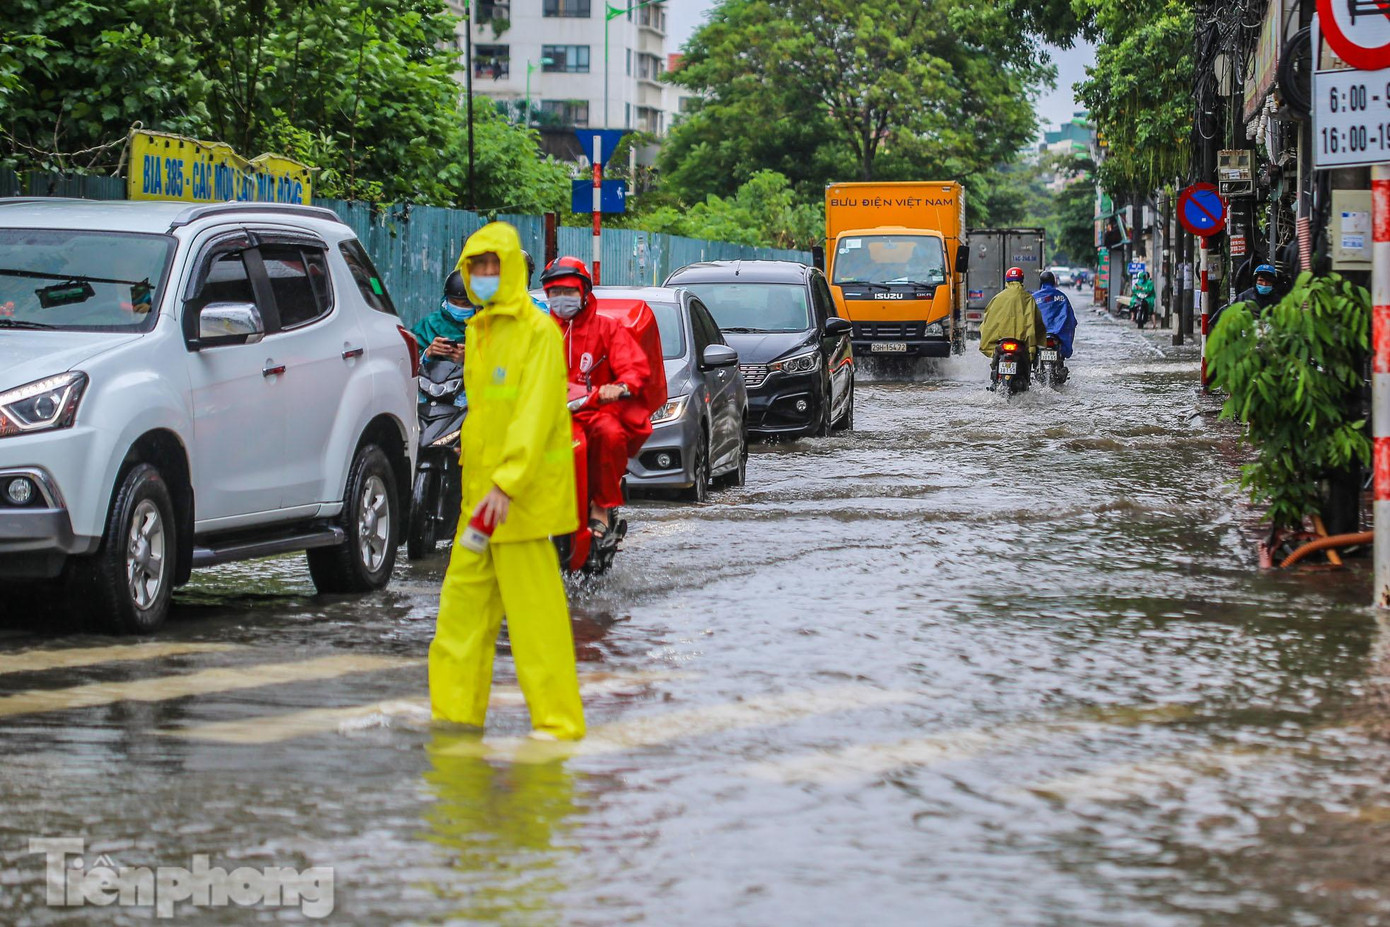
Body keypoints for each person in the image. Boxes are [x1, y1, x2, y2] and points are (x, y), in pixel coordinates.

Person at [429, 221, 584, 741]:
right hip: (480, 504)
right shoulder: (477, 333)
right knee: (458, 616)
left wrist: (507, 483)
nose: (486, 275)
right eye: (478, 267)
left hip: (518, 503)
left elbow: (535, 413)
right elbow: (482, 417)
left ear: (513, 269)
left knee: (536, 624)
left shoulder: (538, 334)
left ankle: (558, 726)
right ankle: (454, 718)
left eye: (495, 265)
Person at [540, 255, 651, 538]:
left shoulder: (607, 328)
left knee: (610, 433)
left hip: (596, 411)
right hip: (545, 413)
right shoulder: (539, 331)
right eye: (555, 292)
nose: (561, 298)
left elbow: (633, 366)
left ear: (584, 292)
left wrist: (621, 386)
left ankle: (600, 506)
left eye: (568, 292)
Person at [979, 266, 1045, 364]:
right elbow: (1037, 322)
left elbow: (987, 320)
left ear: (1007, 281)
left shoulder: (997, 298)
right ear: (1022, 281)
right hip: (1022, 344)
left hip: (1001, 343)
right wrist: (1038, 342)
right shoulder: (1028, 298)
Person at [411, 270, 472, 367]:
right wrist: (428, 353)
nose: (459, 308)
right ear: (446, 299)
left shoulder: (485, 328)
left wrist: (468, 359)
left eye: (466, 304)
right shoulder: (429, 324)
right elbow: (408, 360)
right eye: (454, 303)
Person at [1210, 263, 1280, 332]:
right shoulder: (1245, 297)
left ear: (1273, 283)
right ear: (1255, 281)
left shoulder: (1278, 300)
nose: (1264, 284)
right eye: (1261, 280)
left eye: (1268, 281)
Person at [1032, 270, 1078, 359]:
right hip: (1058, 333)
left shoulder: (1034, 297)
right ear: (1054, 282)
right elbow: (1070, 318)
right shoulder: (1062, 297)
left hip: (1040, 334)